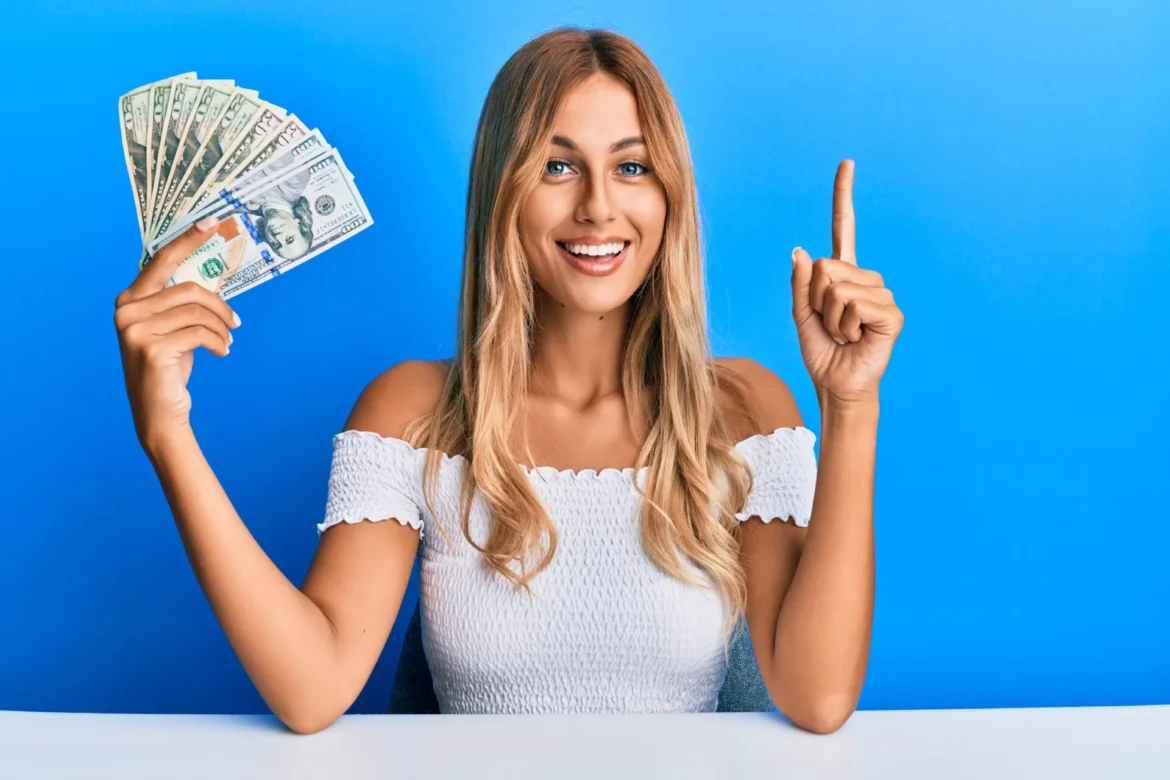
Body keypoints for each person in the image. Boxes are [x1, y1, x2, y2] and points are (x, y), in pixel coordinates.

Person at [113, 27, 903, 735]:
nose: (599, 206)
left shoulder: (745, 409)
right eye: (557, 165)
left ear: (669, 197)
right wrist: (168, 435)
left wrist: (850, 405)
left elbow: (819, 697)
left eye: (631, 166)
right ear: (504, 191)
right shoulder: (411, 412)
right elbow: (312, 688)